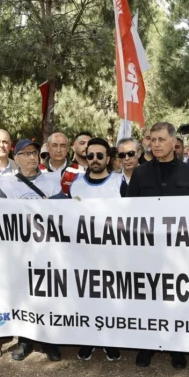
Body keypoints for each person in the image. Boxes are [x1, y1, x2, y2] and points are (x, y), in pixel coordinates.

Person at [124, 122, 189, 369]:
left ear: (173, 142)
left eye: (161, 139)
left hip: (180, 251)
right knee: (149, 298)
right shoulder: (140, 173)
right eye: (152, 140)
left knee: (176, 299)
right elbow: (129, 211)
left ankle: (176, 348)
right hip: (148, 250)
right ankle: (148, 345)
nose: (155, 144)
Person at [0, 139, 63, 361]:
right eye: (26, 153)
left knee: (48, 294)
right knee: (24, 295)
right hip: (19, 253)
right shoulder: (6, 184)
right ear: (16, 158)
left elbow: (63, 213)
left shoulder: (52, 180)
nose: (32, 157)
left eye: (35, 153)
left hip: (47, 250)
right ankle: (25, 340)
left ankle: (49, 340)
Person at [69, 138, 123, 362]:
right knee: (86, 296)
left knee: (111, 297)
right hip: (84, 253)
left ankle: (110, 340)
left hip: (113, 252)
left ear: (108, 158)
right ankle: (88, 339)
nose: (94, 159)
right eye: (90, 155)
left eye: (100, 155)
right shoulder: (76, 185)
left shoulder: (120, 182)